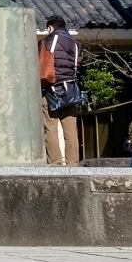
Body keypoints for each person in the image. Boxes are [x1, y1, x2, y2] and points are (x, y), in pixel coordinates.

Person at [40, 15, 82, 166]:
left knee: (50, 128)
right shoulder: (76, 44)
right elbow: (78, 66)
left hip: (51, 89)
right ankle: (73, 163)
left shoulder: (47, 42)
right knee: (70, 130)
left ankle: (55, 162)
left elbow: (40, 63)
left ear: (50, 27)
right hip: (70, 89)